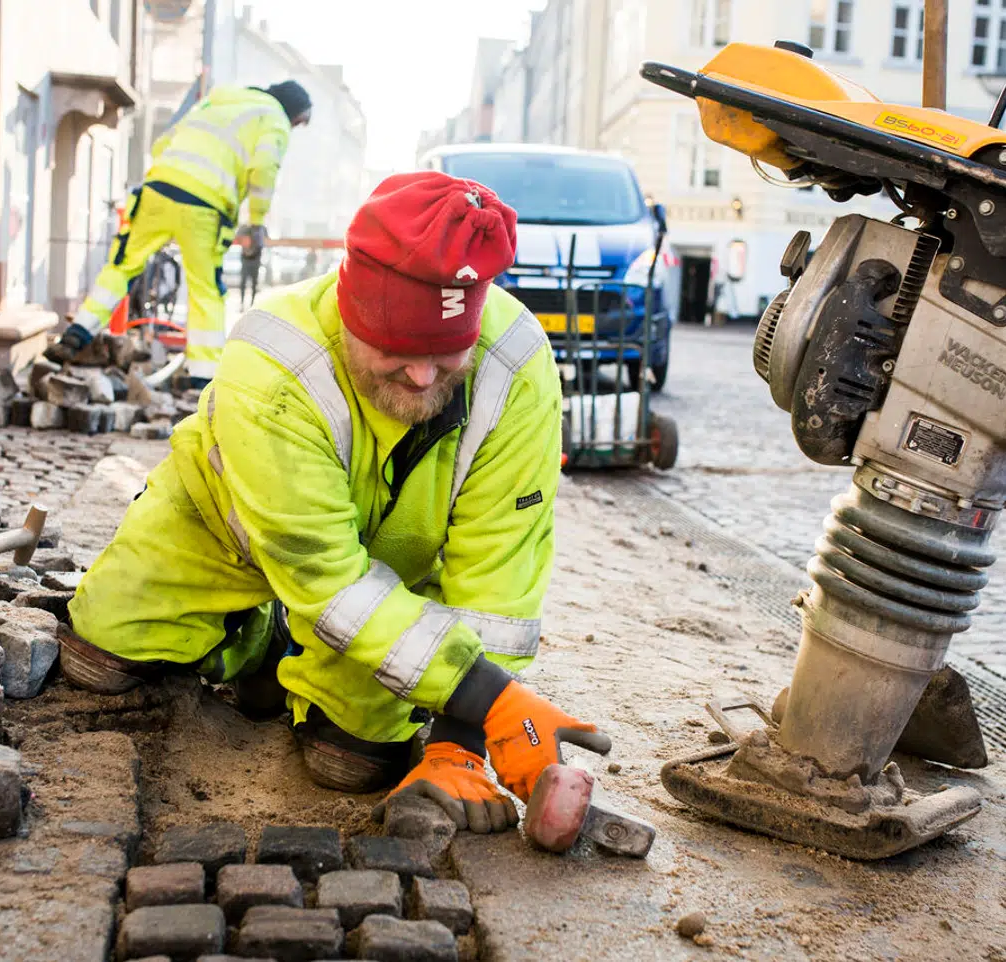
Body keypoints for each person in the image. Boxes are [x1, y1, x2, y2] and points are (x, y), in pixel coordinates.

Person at [57, 171, 609, 833]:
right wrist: (492, 696)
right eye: (399, 352)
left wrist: (459, 742)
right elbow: (324, 575)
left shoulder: (516, 370)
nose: (425, 376)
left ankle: (316, 677)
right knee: (97, 659)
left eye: (445, 352)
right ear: (351, 309)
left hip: (392, 582)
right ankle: (258, 640)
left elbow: (500, 579)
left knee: (347, 763)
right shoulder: (273, 363)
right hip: (221, 530)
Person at [49, 80, 313, 386]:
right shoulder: (275, 118)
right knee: (205, 289)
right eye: (299, 123)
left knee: (122, 266)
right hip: (205, 206)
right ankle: (202, 375)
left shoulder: (218, 100)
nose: (294, 128)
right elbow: (264, 169)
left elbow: (164, 144)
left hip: (158, 190)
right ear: (292, 112)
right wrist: (256, 222)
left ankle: (77, 333)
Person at [237, 225, 263, 309]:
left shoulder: (260, 230)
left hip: (255, 260)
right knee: (243, 283)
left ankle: (252, 304)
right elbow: (239, 237)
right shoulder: (245, 228)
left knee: (254, 284)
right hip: (246, 261)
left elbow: (262, 244)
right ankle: (242, 303)